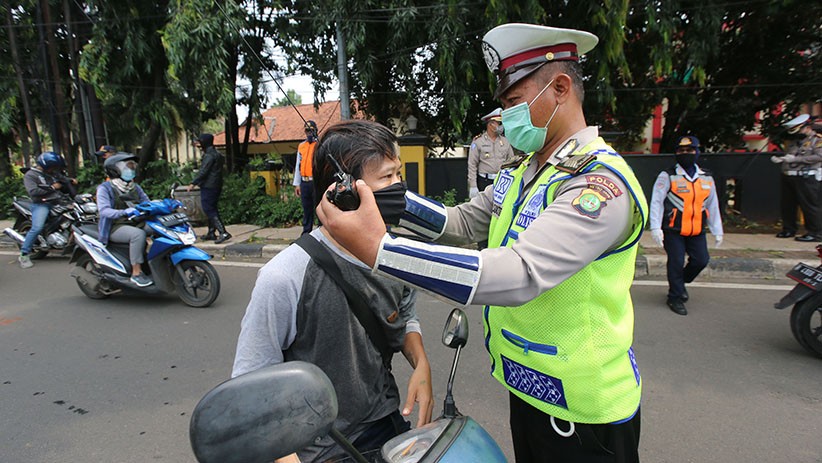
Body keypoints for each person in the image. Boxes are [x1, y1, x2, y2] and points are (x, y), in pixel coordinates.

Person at [318, 23, 647, 463]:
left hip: (587, 412)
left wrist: (382, 250)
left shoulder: (598, 184)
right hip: (530, 392)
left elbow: (519, 273)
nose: (505, 116)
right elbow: (460, 222)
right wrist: (390, 201)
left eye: (513, 102)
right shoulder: (526, 171)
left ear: (561, 88)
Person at [233, 120, 433, 463]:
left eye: (398, 174)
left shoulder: (396, 255)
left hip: (386, 423)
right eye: (386, 178)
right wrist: (283, 455)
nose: (399, 186)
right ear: (345, 191)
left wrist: (421, 363)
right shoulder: (284, 276)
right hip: (319, 447)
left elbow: (404, 315)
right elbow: (251, 383)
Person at [649, 136, 724, 316]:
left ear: (697, 152)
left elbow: (712, 204)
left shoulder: (706, 177)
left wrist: (717, 230)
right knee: (675, 262)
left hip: (697, 229)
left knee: (701, 260)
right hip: (673, 229)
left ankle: (680, 283)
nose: (685, 154)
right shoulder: (668, 175)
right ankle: (675, 296)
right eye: (681, 151)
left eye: (689, 151)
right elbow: (656, 202)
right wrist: (655, 227)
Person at [96, 153, 153, 287]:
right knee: (137, 235)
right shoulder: (105, 188)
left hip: (135, 221)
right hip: (115, 226)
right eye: (127, 167)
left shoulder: (135, 187)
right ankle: (136, 273)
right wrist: (123, 212)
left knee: (159, 227)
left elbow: (147, 202)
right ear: (114, 170)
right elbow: (104, 211)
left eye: (132, 167)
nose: (130, 170)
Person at [770, 114, 822, 242]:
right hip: (789, 175)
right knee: (788, 205)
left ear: (807, 127)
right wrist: (782, 159)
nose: (797, 132)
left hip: (807, 176)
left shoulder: (817, 140)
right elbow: (791, 155)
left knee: (809, 205)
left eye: (799, 129)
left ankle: (815, 233)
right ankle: (789, 229)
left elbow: (819, 157)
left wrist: (796, 159)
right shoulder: (795, 142)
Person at [18, 152, 75, 269]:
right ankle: (24, 255)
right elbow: (33, 192)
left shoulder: (52, 174)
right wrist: (53, 187)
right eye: (53, 167)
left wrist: (70, 181)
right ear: (46, 165)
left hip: (58, 202)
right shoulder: (30, 175)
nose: (54, 170)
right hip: (41, 204)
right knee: (37, 227)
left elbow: (62, 180)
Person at [187, 133, 231, 244]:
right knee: (212, 208)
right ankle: (211, 232)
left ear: (204, 142)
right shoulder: (217, 154)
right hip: (216, 184)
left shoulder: (209, 156)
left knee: (208, 209)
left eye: (200, 142)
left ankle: (223, 232)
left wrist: (193, 183)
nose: (198, 144)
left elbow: (204, 171)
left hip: (209, 186)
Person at [467, 107, 515, 199]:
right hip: (484, 181)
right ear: (490, 124)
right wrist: (473, 185)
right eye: (499, 123)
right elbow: (472, 165)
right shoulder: (478, 142)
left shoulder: (505, 141)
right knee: (484, 211)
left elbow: (512, 162)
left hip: (502, 181)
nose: (501, 126)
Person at [293, 120, 319, 235]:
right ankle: (306, 232)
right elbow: (298, 164)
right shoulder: (301, 146)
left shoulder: (318, 145)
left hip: (315, 182)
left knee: (318, 209)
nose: (309, 133)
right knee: (306, 209)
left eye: (311, 130)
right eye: (307, 131)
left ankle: (320, 233)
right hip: (304, 182)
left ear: (315, 131)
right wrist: (297, 184)